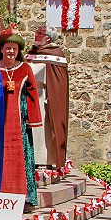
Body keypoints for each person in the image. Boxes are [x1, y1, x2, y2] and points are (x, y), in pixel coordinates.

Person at [0, 33, 42, 206]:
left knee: (19, 157)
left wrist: (32, 119)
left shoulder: (25, 69)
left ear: (18, 51)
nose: (11, 51)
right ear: (1, 49)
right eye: (8, 48)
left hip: (19, 122)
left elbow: (32, 93)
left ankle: (21, 197)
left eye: (14, 49)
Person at [26, 26, 69, 169]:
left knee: (43, 132)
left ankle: (45, 160)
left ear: (48, 38)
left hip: (43, 96)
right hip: (29, 95)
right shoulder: (33, 52)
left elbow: (56, 82)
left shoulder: (55, 54)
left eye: (40, 34)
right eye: (36, 32)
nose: (36, 35)